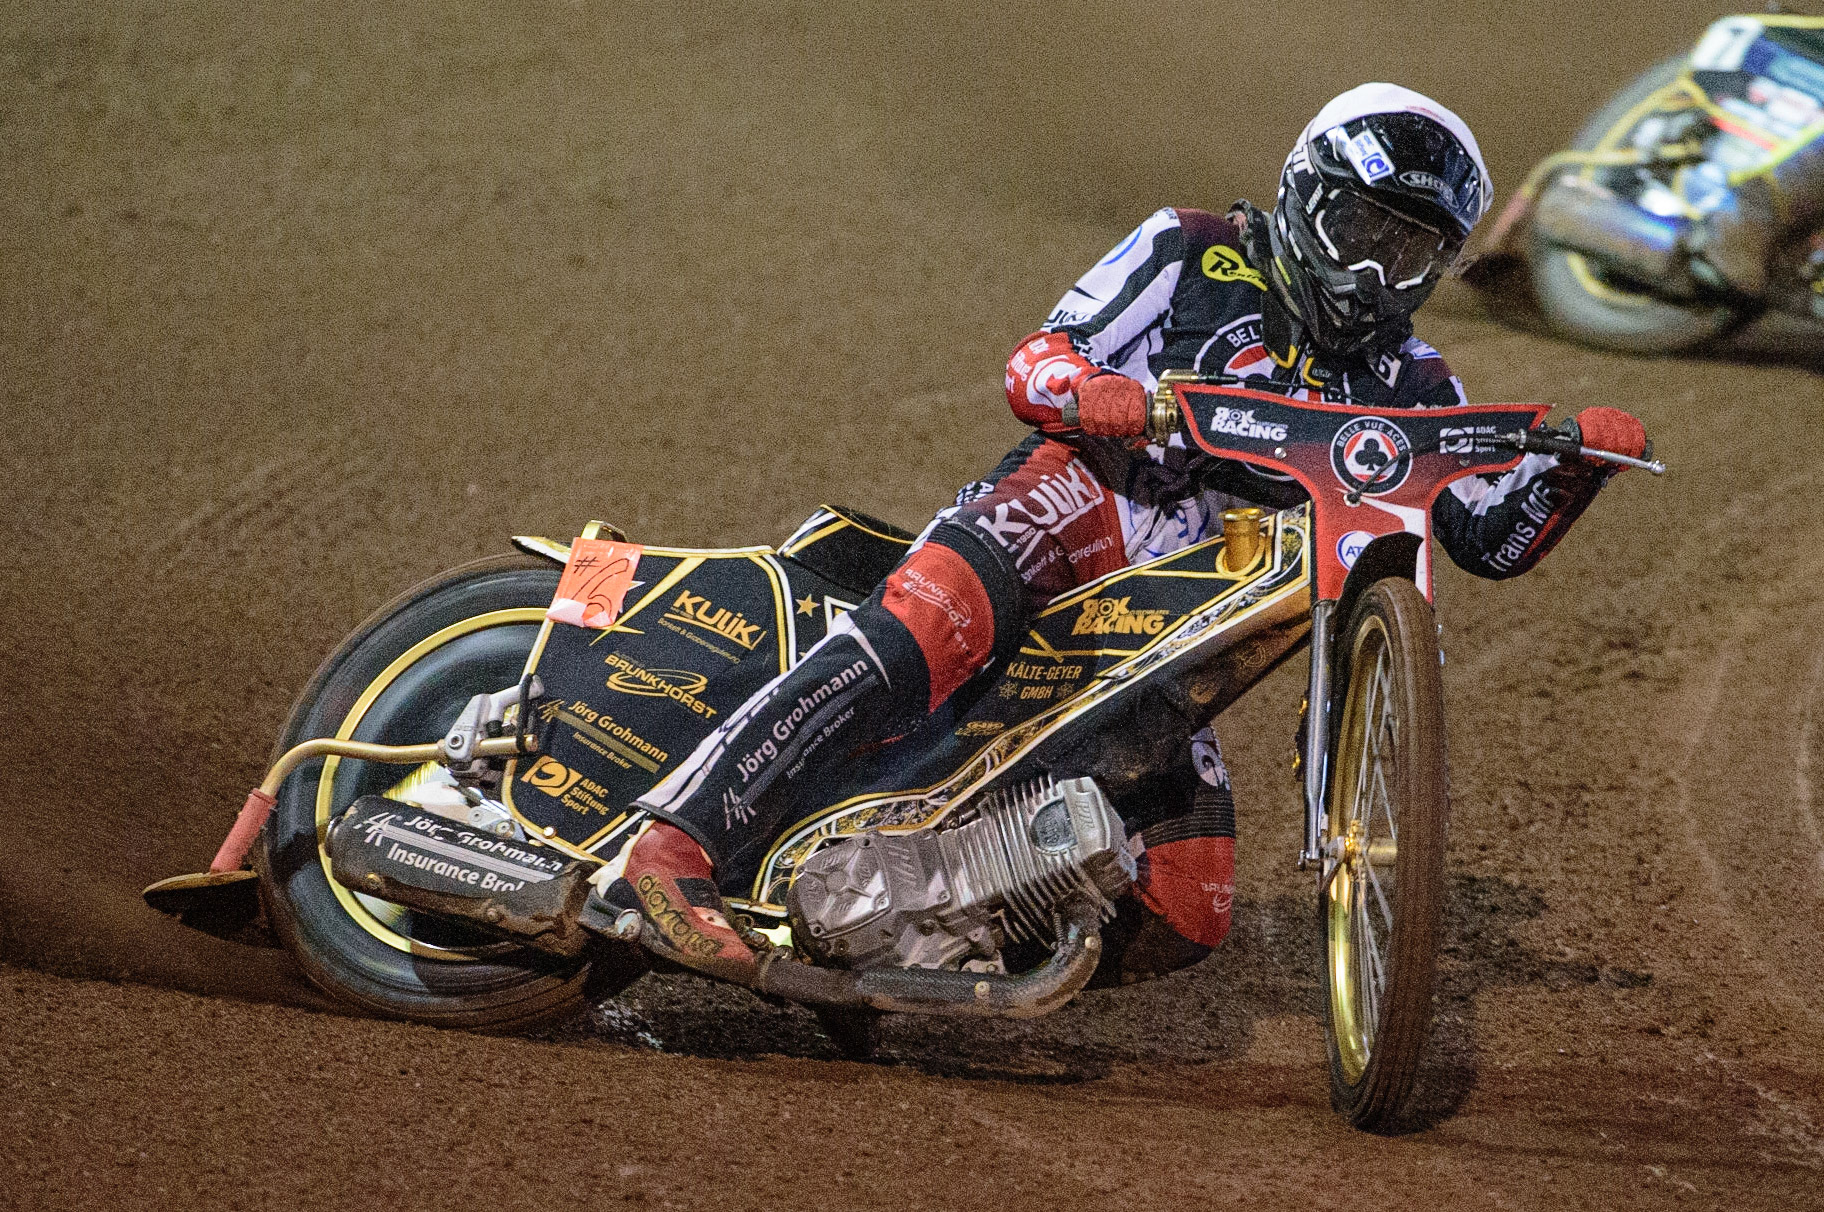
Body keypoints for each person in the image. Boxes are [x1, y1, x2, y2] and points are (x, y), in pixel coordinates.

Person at [610, 84, 1650, 984]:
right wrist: (1096, 392)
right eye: (1358, 235)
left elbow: (1486, 536)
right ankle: (674, 846)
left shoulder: (1414, 380)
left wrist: (1575, 468)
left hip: (1189, 595)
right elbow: (1039, 359)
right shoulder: (1193, 249)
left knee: (1191, 904)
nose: (1376, 276)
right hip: (1084, 499)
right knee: (933, 616)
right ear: (1301, 197)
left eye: (1408, 253)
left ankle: (909, 939)